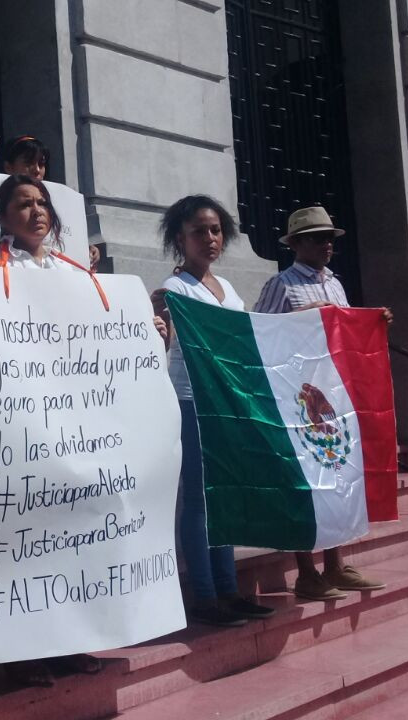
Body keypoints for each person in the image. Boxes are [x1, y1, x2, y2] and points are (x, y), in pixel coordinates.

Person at [0, 174, 169, 686]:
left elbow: (104, 342)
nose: (37, 211)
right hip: (21, 427)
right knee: (29, 538)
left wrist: (145, 336)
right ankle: (22, 650)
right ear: (3, 216)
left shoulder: (78, 275)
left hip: (76, 428)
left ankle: (73, 639)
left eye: (42, 203)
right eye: (24, 203)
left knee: (75, 535)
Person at [253, 205, 391, 602]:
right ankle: (306, 571)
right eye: (317, 237)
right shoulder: (282, 284)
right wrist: (306, 316)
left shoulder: (336, 283)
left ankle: (335, 563)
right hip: (297, 393)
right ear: (295, 243)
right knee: (304, 479)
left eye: (330, 237)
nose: (327, 244)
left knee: (336, 475)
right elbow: (261, 333)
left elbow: (343, 331)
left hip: (332, 391)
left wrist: (372, 323)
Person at [153, 195, 277, 627]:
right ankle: (204, 597)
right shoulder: (175, 291)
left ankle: (228, 589)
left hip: (228, 405)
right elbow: (165, 348)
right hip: (191, 402)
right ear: (179, 239)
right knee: (199, 500)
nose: (209, 238)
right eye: (198, 231)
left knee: (223, 496)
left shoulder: (229, 290)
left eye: (215, 230)